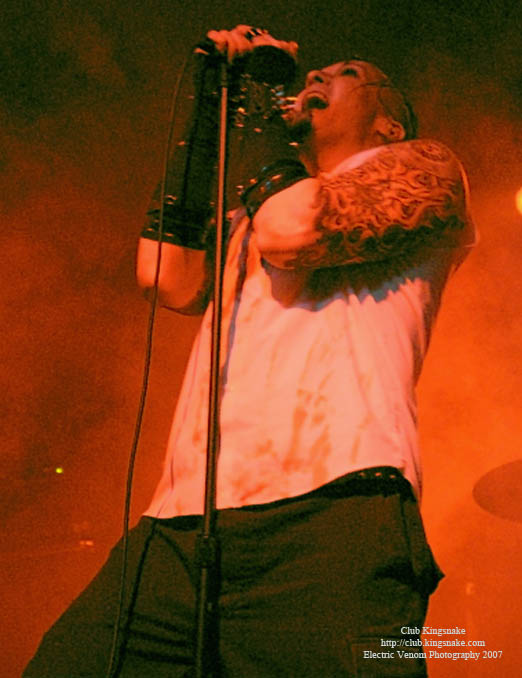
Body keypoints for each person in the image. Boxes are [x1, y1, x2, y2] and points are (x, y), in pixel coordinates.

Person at [24, 25, 475, 678]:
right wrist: (208, 110)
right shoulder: (252, 218)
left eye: (347, 73)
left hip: (333, 518)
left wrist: (262, 104)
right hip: (183, 524)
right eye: (316, 71)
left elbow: (295, 232)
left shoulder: (425, 167)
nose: (316, 75)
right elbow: (164, 274)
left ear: (390, 125)